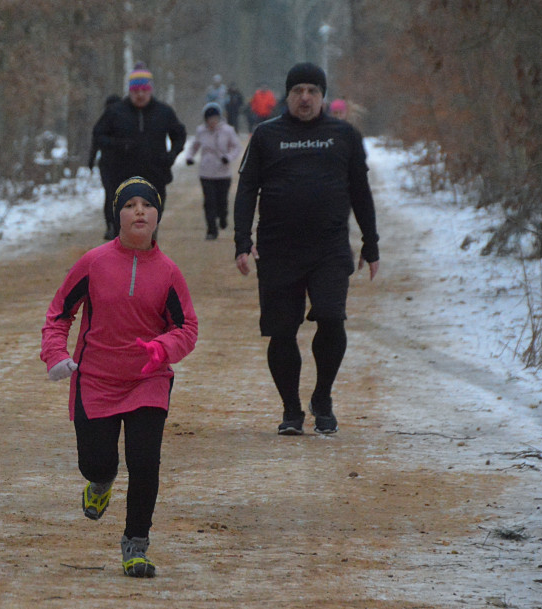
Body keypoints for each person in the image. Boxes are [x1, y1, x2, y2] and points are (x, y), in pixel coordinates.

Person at [40, 177, 198, 578]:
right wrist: (55, 354)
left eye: (147, 205)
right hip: (94, 379)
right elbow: (60, 313)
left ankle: (136, 544)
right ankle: (100, 482)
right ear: (118, 215)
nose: (139, 211)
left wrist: (163, 349)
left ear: (158, 215)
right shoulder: (93, 263)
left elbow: (187, 328)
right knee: (97, 463)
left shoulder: (168, 272)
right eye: (130, 205)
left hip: (148, 380)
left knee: (145, 462)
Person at [233, 62, 380, 436]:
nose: (305, 97)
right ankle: (291, 410)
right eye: (298, 90)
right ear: (287, 94)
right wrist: (242, 241)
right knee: (282, 332)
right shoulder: (267, 135)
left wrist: (371, 243)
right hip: (279, 249)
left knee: (331, 318)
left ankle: (323, 398)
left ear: (323, 96)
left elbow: (360, 191)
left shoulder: (344, 135)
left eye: (313, 91)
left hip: (329, 248)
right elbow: (247, 188)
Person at [91, 62, 187, 209]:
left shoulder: (164, 112)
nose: (140, 94)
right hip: (122, 176)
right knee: (125, 224)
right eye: (136, 90)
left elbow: (180, 135)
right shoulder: (116, 112)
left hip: (155, 175)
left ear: (151, 90)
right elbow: (98, 135)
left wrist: (171, 155)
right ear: (130, 91)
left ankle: (150, 232)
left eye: (144, 90)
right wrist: (119, 145)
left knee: (150, 222)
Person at [184, 102, 242, 240]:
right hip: (206, 172)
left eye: (215, 118)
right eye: (210, 119)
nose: (212, 121)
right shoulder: (200, 131)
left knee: (222, 202)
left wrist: (228, 157)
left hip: (223, 172)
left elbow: (236, 147)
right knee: (209, 202)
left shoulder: (228, 130)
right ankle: (211, 230)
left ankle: (223, 216)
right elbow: (194, 146)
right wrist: (189, 157)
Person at [89, 94, 125, 240]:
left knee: (110, 195)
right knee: (114, 195)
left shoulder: (109, 120)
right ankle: (113, 225)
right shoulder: (118, 120)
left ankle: (112, 225)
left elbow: (95, 143)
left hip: (111, 164)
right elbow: (96, 141)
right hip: (111, 164)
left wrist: (91, 160)